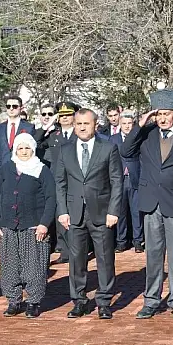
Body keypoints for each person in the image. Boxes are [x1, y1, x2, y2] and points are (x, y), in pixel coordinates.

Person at [121, 89, 173, 321]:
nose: (163, 119)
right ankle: (151, 300)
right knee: (153, 255)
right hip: (151, 204)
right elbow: (125, 151)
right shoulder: (146, 134)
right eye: (159, 115)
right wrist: (141, 123)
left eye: (166, 114)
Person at [55, 108, 122, 319]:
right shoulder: (65, 150)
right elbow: (60, 183)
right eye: (78, 124)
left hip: (102, 212)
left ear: (95, 124)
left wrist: (113, 210)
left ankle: (103, 301)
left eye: (86, 123)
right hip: (74, 213)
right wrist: (63, 211)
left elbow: (117, 181)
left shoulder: (108, 148)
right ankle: (79, 301)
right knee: (76, 259)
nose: (82, 127)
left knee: (104, 258)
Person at [0, 133, 56, 318]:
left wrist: (44, 224)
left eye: (27, 148)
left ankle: (33, 301)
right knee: (10, 266)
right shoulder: (6, 169)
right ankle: (13, 300)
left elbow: (51, 198)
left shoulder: (42, 170)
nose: (24, 152)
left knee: (34, 267)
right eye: (20, 148)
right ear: (15, 150)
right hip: (8, 226)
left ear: (33, 149)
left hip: (33, 226)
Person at [34, 101, 79, 264]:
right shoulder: (53, 135)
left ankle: (78, 248)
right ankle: (64, 250)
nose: (65, 118)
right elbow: (35, 143)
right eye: (62, 115)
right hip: (57, 179)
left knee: (75, 213)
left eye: (68, 115)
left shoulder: (78, 133)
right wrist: (48, 125)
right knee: (60, 213)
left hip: (75, 178)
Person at [109, 111, 143, 253]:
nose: (127, 126)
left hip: (135, 177)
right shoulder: (113, 139)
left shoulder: (138, 137)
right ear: (120, 125)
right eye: (124, 124)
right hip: (119, 180)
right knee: (120, 212)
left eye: (130, 123)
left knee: (136, 212)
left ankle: (138, 241)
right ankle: (121, 241)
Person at [0, 96, 35, 178]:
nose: (11, 109)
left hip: (22, 173)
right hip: (2, 173)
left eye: (14, 106)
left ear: (20, 108)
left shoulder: (29, 127)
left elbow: (32, 152)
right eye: (8, 106)